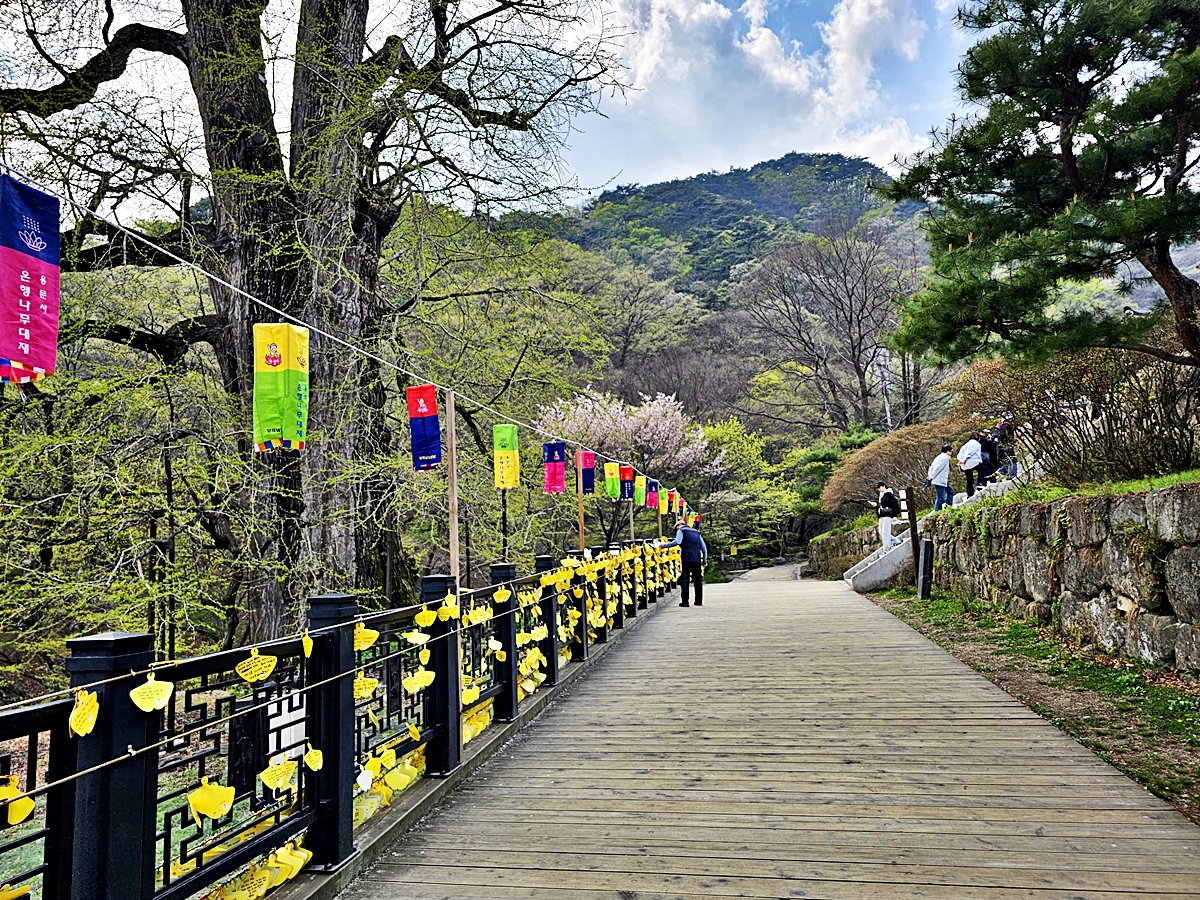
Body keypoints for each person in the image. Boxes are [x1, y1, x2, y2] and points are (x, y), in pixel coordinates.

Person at [662, 518, 708, 607]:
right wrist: (705, 560)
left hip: (686, 558)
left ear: (679, 525)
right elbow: (704, 547)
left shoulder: (681, 531)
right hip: (697, 558)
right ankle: (698, 601)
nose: (677, 530)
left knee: (685, 579)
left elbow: (677, 541)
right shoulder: (696, 532)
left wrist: (665, 545)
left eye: (676, 528)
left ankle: (685, 602)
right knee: (698, 580)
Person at [869, 481, 901, 549]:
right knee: (882, 532)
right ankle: (896, 541)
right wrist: (876, 505)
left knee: (885, 533)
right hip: (882, 515)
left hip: (888, 515)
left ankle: (887, 548)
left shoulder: (889, 494)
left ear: (884, 486)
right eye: (878, 488)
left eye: (879, 487)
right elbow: (881, 505)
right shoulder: (881, 495)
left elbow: (895, 505)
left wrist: (894, 515)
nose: (879, 489)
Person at [924, 444, 954, 511]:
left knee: (950, 491)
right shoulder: (945, 458)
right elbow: (938, 468)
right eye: (950, 451)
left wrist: (930, 475)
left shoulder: (938, 457)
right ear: (947, 451)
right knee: (940, 497)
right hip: (940, 480)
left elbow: (931, 467)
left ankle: (948, 506)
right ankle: (937, 511)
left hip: (940, 479)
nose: (951, 453)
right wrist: (931, 476)